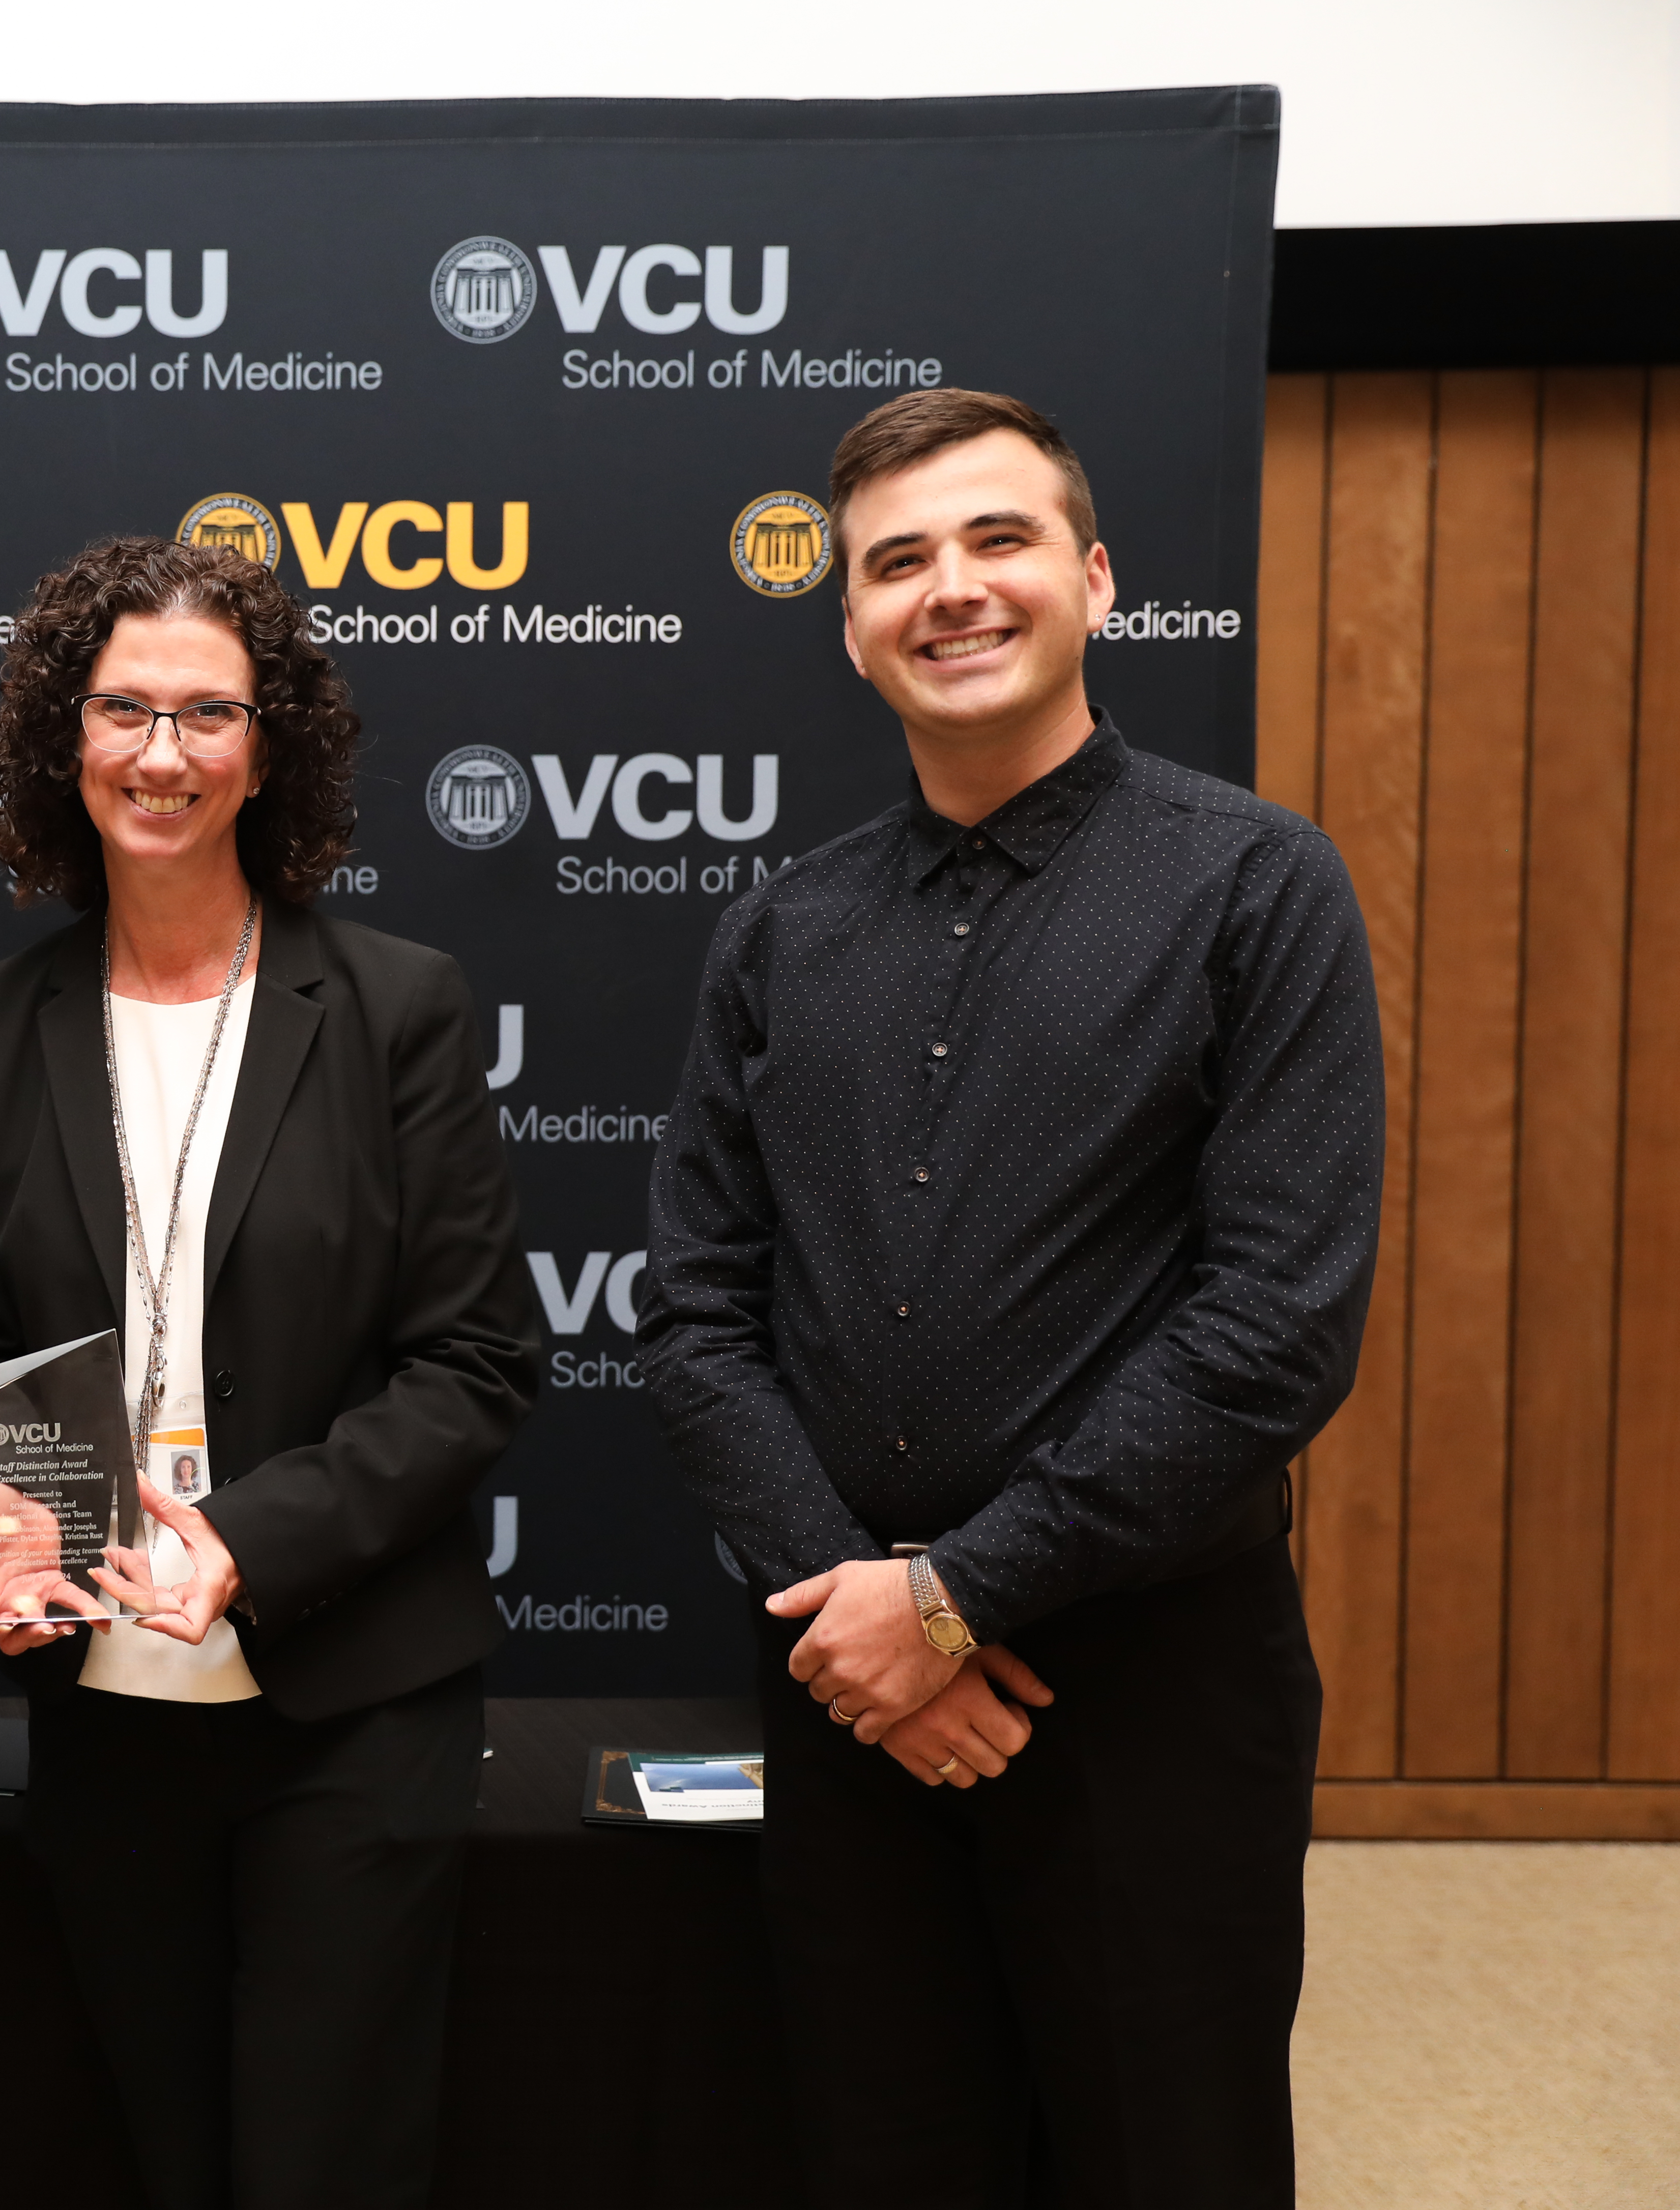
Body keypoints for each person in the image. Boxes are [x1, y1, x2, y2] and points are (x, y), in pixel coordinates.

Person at [639, 388, 1381, 2206]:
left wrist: (959, 1599)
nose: (949, 591)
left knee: (1166, 2153)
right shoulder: (783, 931)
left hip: (1145, 1693)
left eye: (998, 541)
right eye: (898, 562)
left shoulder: (1255, 886)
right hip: (845, 1692)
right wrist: (871, 1638)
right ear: (852, 626)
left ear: (1095, 579)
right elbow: (697, 1310)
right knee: (886, 2153)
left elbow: (1277, 1322)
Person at [0, 537, 541, 2210]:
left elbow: (478, 1358)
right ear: (69, 738)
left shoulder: (397, 1005)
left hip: (347, 1700)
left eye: (210, 714)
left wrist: (252, 1540)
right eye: (124, 710)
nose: (163, 753)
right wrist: (6, 1531)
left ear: (271, 750)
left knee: (320, 2167)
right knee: (165, 2157)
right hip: (105, 1712)